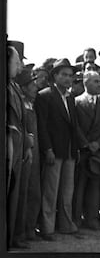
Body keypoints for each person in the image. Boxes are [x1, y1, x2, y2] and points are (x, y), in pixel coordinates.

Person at [35, 58, 82, 241]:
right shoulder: (45, 95)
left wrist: (76, 148)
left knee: (67, 191)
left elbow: (74, 126)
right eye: (63, 75)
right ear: (54, 76)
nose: (68, 79)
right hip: (54, 150)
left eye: (70, 75)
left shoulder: (70, 97)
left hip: (69, 150)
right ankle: (47, 228)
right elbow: (43, 126)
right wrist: (47, 149)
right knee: (50, 191)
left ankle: (66, 225)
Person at [73, 71, 100, 231]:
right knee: (79, 186)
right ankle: (76, 219)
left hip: (97, 153)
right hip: (82, 151)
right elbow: (74, 125)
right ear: (85, 83)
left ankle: (92, 218)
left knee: (95, 187)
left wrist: (99, 143)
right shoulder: (76, 103)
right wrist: (86, 143)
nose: (99, 84)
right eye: (95, 81)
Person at [7, 44, 31, 248]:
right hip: (9, 148)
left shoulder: (13, 85)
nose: (19, 66)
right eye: (16, 62)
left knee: (16, 195)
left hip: (18, 148)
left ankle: (13, 235)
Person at [15, 66, 41, 242]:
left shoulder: (31, 104)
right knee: (23, 194)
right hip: (25, 155)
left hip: (35, 156)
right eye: (32, 84)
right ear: (24, 87)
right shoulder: (21, 106)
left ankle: (29, 229)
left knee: (33, 193)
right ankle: (20, 233)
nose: (36, 88)